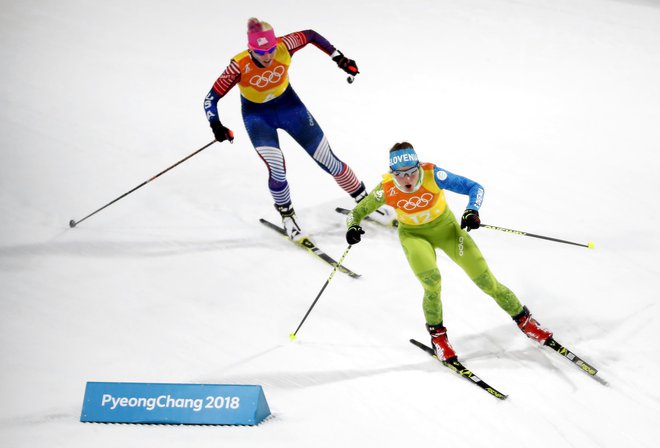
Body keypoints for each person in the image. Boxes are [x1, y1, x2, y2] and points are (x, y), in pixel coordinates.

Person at [344, 142, 553, 362]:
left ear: (419, 167)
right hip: (415, 237)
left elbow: (475, 187)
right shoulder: (386, 189)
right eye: (400, 175)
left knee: (486, 281)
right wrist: (353, 227)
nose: (407, 179)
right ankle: (439, 340)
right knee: (432, 283)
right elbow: (355, 213)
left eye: (412, 172)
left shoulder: (433, 175)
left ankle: (526, 322)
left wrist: (472, 210)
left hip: (449, 232)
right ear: (392, 173)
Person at [204, 17, 394, 241]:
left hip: (290, 109)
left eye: (271, 49)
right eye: (260, 52)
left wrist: (338, 58)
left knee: (329, 160)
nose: (268, 56)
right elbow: (210, 98)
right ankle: (287, 217)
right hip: (258, 118)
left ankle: (364, 200)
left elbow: (311, 34)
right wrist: (216, 124)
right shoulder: (238, 65)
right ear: (251, 49)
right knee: (277, 169)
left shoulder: (285, 44)